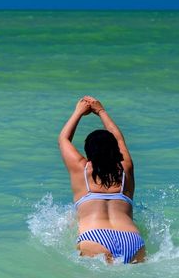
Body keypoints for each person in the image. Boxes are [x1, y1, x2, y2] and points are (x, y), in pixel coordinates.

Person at [58, 96, 145, 264]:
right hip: (132, 240)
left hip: (94, 238)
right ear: (115, 150)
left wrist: (79, 112)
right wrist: (100, 111)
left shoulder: (81, 169)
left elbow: (63, 140)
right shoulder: (125, 169)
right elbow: (119, 138)